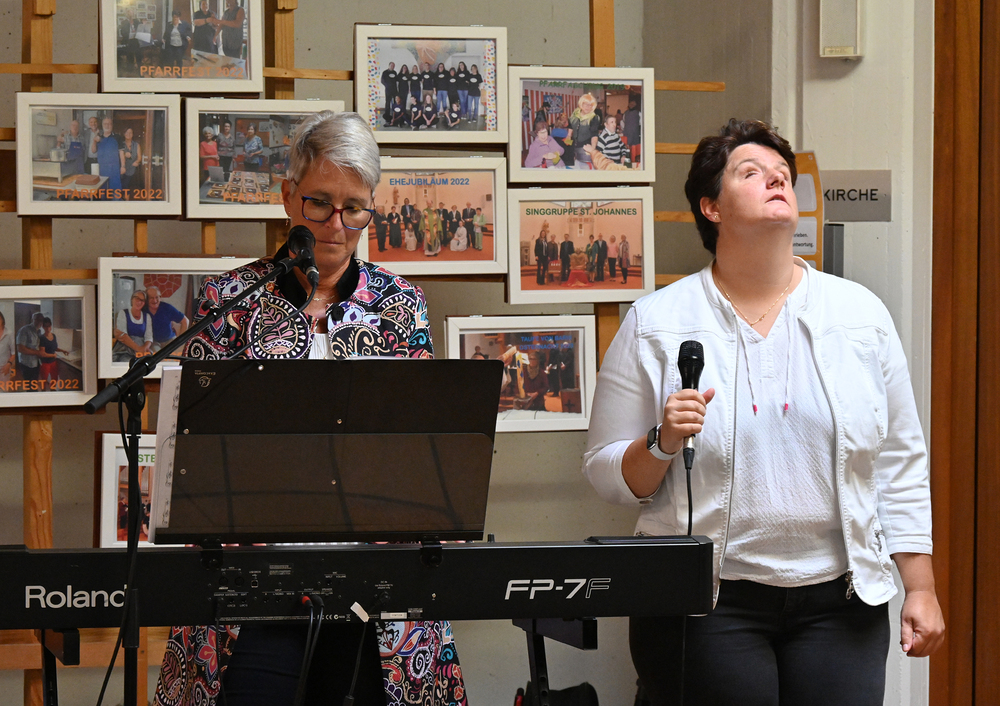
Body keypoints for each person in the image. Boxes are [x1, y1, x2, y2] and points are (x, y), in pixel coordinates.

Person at [582, 119, 944, 706]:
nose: (777, 181)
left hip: (841, 603)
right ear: (711, 208)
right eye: (751, 173)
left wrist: (920, 586)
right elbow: (606, 474)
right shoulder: (656, 321)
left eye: (782, 174)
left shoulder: (860, 315)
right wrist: (662, 441)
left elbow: (900, 460)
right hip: (706, 602)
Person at [153, 110, 463, 706]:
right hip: (251, 584)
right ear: (288, 196)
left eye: (354, 208)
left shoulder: (402, 304)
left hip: (376, 584)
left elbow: (420, 448)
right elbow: (194, 449)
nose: (336, 225)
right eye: (320, 203)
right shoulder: (230, 299)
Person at [112, 290, 153, 363]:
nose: (139, 302)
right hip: (125, 348)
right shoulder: (123, 313)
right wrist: (138, 349)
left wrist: (144, 348)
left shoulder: (147, 316)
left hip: (141, 348)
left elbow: (149, 337)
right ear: (132, 299)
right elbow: (122, 335)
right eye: (137, 298)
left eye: (142, 300)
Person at [144, 286, 189, 352]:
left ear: (160, 297)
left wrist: (180, 340)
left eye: (157, 297)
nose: (155, 300)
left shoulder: (167, 308)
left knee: (175, 354)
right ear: (146, 299)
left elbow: (185, 321)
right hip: (153, 342)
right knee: (157, 356)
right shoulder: (143, 310)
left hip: (170, 340)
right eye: (151, 298)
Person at [93, 116, 124, 196]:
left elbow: (121, 152)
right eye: (105, 124)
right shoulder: (99, 137)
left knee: (116, 194)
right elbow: (93, 151)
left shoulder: (117, 137)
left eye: (109, 124)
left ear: (112, 125)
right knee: (103, 194)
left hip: (114, 170)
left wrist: (123, 166)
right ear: (102, 125)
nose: (107, 126)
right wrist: (94, 141)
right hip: (102, 170)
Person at [569, 93, 601, 167]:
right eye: (586, 104)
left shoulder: (594, 118)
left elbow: (594, 135)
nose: (588, 107)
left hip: (586, 148)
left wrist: (592, 150)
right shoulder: (575, 114)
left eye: (590, 105)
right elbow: (571, 126)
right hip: (573, 147)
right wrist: (568, 136)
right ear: (581, 104)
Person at [37, 317, 66, 388]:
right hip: (45, 363)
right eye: (46, 326)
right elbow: (43, 354)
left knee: (54, 380)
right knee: (44, 381)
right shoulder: (42, 338)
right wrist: (53, 355)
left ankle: (52, 390)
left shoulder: (54, 336)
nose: (48, 328)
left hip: (54, 362)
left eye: (49, 326)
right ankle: (43, 392)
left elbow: (54, 348)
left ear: (51, 326)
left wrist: (63, 351)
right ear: (43, 327)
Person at [15, 312, 45, 382]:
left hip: (36, 362)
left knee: (34, 383)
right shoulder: (24, 330)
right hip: (27, 364)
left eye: (41, 320)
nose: (39, 322)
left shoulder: (39, 331)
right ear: (32, 319)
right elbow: (20, 348)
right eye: (37, 319)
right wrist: (37, 352)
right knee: (29, 384)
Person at [120, 127, 142, 197]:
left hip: (131, 169)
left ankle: (126, 200)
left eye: (130, 133)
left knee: (126, 185)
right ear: (124, 134)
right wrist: (124, 154)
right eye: (127, 132)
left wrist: (137, 162)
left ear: (132, 134)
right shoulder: (121, 144)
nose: (128, 134)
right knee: (121, 186)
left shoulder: (136, 145)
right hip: (121, 169)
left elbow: (139, 157)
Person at [0, 311, 15, 384]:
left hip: (4, 368)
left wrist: (8, 364)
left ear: (2, 319)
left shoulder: (9, 333)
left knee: (4, 389)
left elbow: (13, 353)